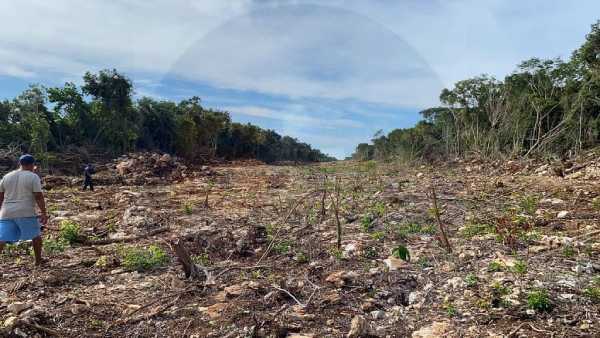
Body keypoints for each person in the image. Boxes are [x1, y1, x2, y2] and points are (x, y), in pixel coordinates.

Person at [0, 154, 48, 266]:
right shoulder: (32, 176)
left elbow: (1, 196)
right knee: (36, 236)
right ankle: (38, 261)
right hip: (25, 211)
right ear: (32, 165)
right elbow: (38, 196)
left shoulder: (7, 176)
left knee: (1, 238)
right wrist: (44, 213)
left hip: (6, 212)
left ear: (20, 164)